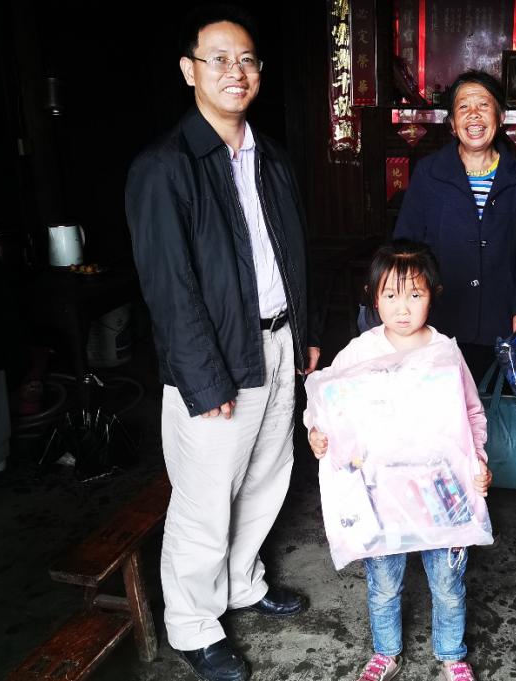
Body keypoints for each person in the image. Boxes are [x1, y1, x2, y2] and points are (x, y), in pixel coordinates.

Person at [124, 5, 319, 681]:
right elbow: (169, 288)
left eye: (247, 60)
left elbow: (292, 257)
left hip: (278, 343)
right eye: (219, 59)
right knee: (205, 498)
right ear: (190, 71)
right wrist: (204, 379)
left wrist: (304, 336)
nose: (236, 72)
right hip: (216, 361)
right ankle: (193, 624)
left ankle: (242, 583)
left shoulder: (271, 158)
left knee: (267, 476)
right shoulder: (165, 167)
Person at [306, 239, 493, 681]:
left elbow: (472, 413)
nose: (402, 307)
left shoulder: (445, 352)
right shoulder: (359, 352)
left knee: (447, 582)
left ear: (433, 294)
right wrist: (316, 431)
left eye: (415, 294)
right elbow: (325, 401)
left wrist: (479, 462)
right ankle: (385, 652)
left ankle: (452, 654)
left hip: (441, 488)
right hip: (380, 493)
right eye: (390, 295)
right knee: (384, 581)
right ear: (374, 299)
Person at [394, 70, 516, 381]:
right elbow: (404, 246)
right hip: (438, 321)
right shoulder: (429, 174)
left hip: (501, 320)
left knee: (491, 404)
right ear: (452, 123)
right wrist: (405, 308)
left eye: (484, 105)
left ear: (500, 117)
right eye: (463, 107)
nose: (473, 114)